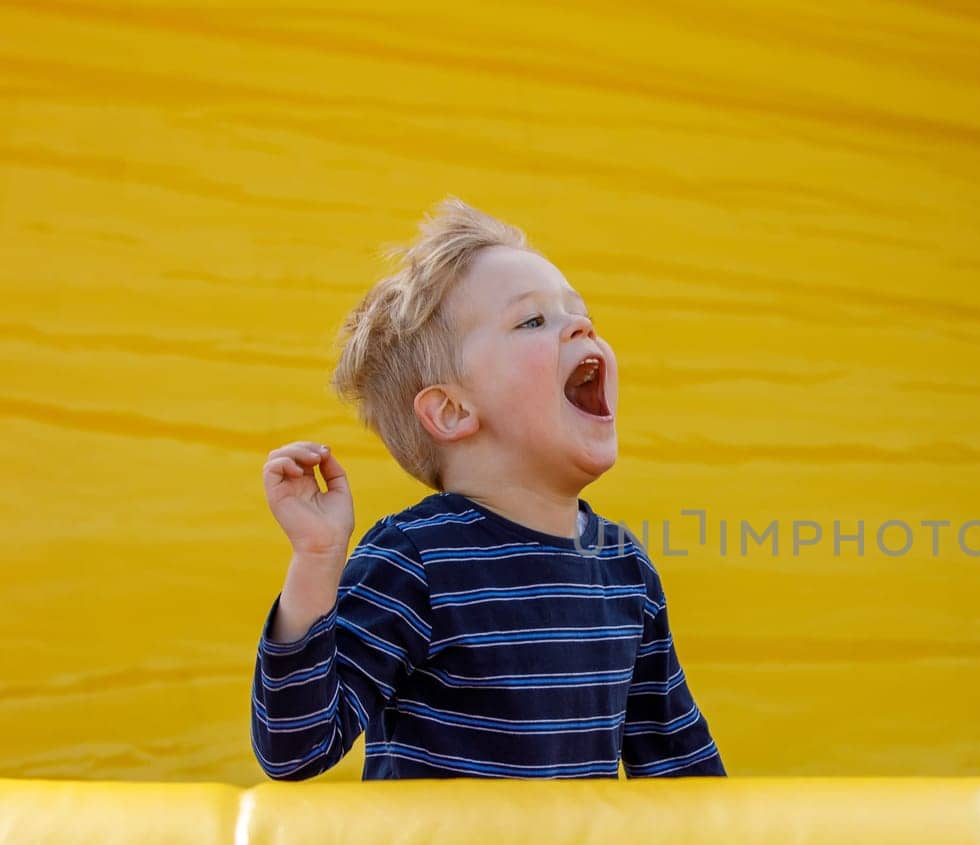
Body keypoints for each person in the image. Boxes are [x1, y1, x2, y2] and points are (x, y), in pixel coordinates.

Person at [251, 198, 725, 781]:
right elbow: (295, 748)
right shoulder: (416, 559)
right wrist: (318, 560)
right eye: (533, 321)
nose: (582, 327)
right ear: (451, 411)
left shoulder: (623, 566)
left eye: (579, 314)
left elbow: (683, 772)